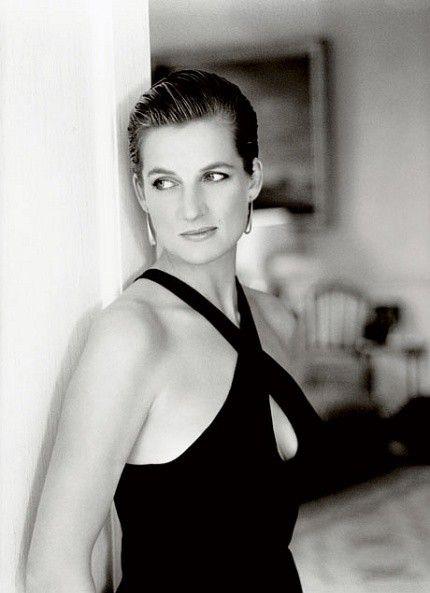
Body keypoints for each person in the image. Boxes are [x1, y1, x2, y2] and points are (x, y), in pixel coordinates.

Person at [26, 69, 325, 593]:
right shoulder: (132, 337)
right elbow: (53, 569)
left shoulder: (279, 320)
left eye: (215, 176)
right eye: (165, 182)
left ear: (253, 177)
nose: (191, 209)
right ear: (141, 192)